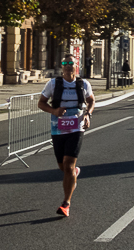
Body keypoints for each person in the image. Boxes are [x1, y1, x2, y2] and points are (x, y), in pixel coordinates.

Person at [37, 56, 95, 217]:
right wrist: (54, 111)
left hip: (77, 128)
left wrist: (88, 115)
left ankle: (65, 204)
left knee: (68, 165)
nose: (68, 66)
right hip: (58, 129)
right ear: (61, 66)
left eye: (71, 63)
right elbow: (41, 103)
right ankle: (74, 173)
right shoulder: (53, 84)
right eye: (65, 63)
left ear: (76, 66)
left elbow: (91, 101)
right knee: (63, 167)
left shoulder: (83, 84)